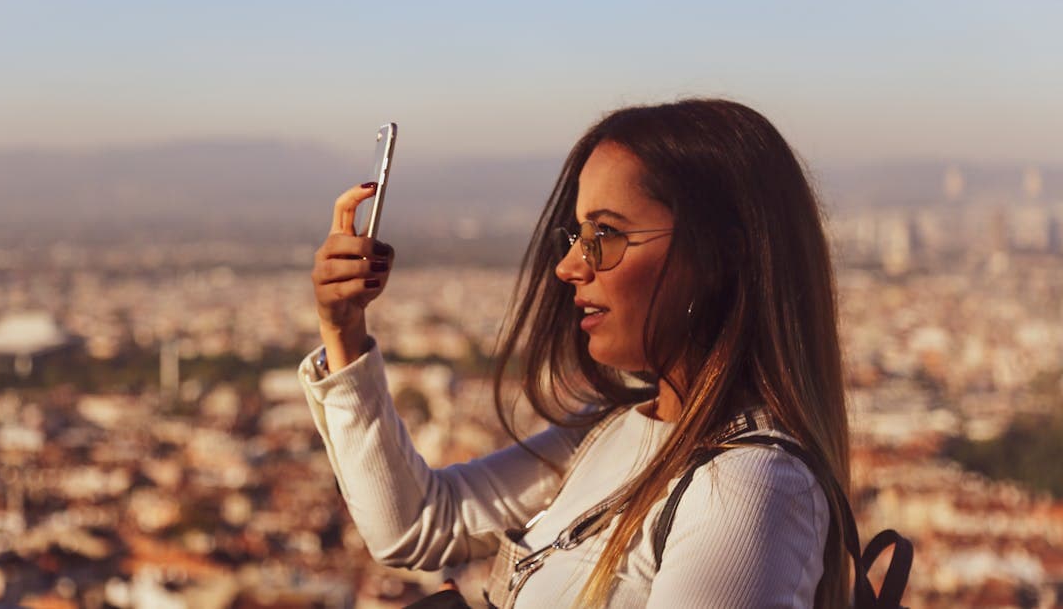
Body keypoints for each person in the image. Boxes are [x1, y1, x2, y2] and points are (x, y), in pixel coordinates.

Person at [301, 99, 851, 607]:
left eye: (606, 234)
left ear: (719, 258)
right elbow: (418, 524)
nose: (569, 266)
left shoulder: (749, 489)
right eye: (577, 234)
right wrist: (343, 331)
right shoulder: (606, 433)